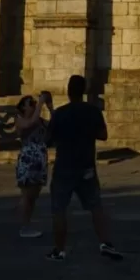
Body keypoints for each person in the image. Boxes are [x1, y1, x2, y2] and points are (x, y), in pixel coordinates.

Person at [46, 74, 122, 261]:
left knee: (59, 209)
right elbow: (103, 135)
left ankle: (59, 250)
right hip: (86, 165)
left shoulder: (60, 113)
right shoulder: (92, 111)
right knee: (95, 206)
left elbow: (49, 140)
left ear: (68, 91)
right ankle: (105, 243)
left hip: (64, 166)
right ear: (84, 91)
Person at [12, 90, 53, 239]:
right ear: (23, 108)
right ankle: (24, 226)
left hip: (39, 160)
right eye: (31, 104)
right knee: (28, 195)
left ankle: (26, 220)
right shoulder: (20, 119)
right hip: (28, 160)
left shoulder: (40, 120)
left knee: (33, 196)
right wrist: (41, 103)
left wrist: (50, 106)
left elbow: (55, 125)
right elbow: (30, 124)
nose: (35, 106)